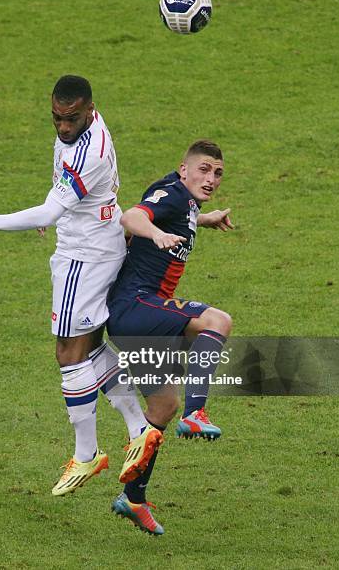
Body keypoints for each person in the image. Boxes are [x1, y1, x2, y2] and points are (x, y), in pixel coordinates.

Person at [0, 75, 163, 497]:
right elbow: (60, 200)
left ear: (90, 110)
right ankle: (140, 428)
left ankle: (87, 454)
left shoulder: (90, 153)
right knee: (90, 347)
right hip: (95, 243)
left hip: (83, 259)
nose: (63, 127)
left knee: (68, 353)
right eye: (56, 118)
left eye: (71, 119)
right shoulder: (82, 132)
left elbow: (49, 211)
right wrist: (64, 214)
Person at [107, 139, 233, 535]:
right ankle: (198, 414)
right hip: (136, 308)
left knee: (162, 407)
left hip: (135, 318)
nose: (211, 178)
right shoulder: (175, 194)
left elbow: (174, 214)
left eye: (218, 173)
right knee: (217, 321)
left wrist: (205, 218)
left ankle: (133, 497)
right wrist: (156, 235)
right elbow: (131, 217)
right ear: (184, 169)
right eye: (204, 169)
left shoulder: (185, 202)